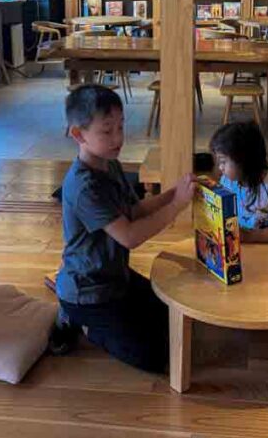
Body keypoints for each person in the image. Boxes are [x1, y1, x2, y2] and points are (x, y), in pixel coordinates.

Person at [54, 83, 196, 372]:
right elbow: (129, 236)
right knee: (157, 357)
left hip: (115, 276)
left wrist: (174, 193)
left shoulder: (110, 163)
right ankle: (80, 323)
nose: (118, 138)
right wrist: (176, 206)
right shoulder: (84, 187)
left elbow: (134, 211)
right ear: (78, 135)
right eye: (107, 131)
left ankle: (86, 318)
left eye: (121, 127)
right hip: (89, 291)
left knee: (173, 317)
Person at [209, 120, 268, 242]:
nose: (220, 167)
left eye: (223, 161)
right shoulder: (228, 181)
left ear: (244, 161)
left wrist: (247, 236)